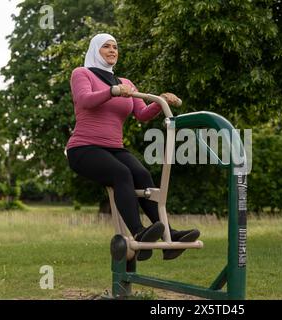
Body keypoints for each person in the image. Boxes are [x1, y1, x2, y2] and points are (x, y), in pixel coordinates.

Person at [66, 33, 200, 261]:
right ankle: (139, 232)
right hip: (84, 148)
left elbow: (142, 113)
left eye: (115, 47)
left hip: (114, 148)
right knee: (122, 173)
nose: (112, 50)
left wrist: (161, 100)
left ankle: (170, 236)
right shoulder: (82, 73)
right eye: (106, 47)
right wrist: (111, 92)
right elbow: (84, 100)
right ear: (95, 50)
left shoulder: (126, 83)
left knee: (141, 174)